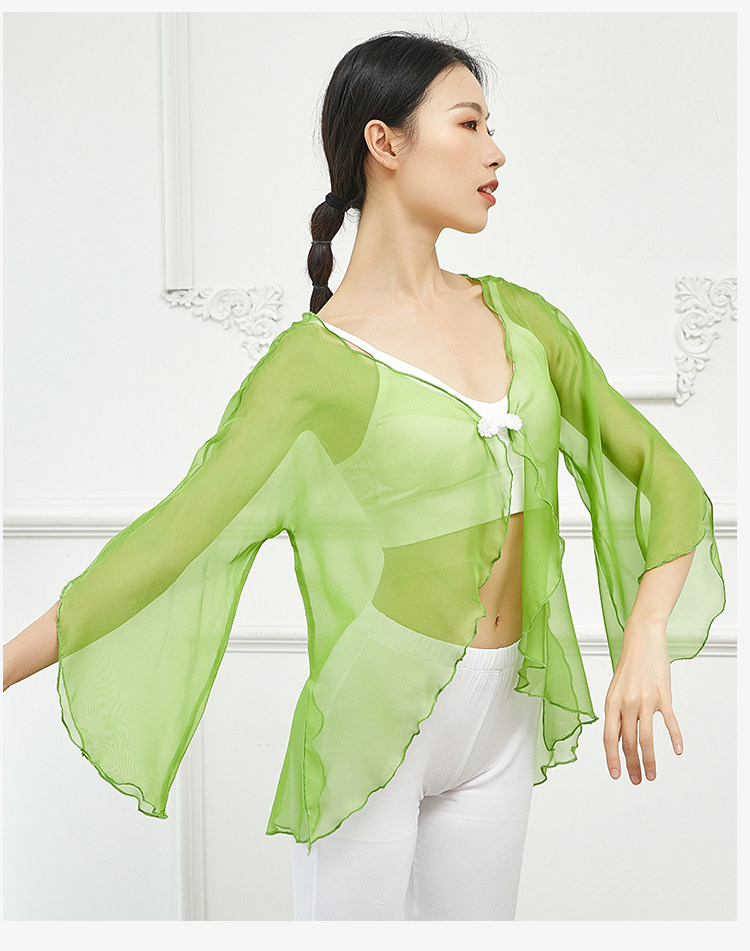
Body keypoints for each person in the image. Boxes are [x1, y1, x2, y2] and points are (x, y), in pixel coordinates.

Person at [3, 31, 726, 922]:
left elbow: (671, 482)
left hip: (504, 714)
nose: (497, 151)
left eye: (491, 127)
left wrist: (645, 630)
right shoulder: (312, 366)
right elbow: (169, 544)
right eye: (469, 124)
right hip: (375, 710)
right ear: (386, 142)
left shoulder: (525, 322)